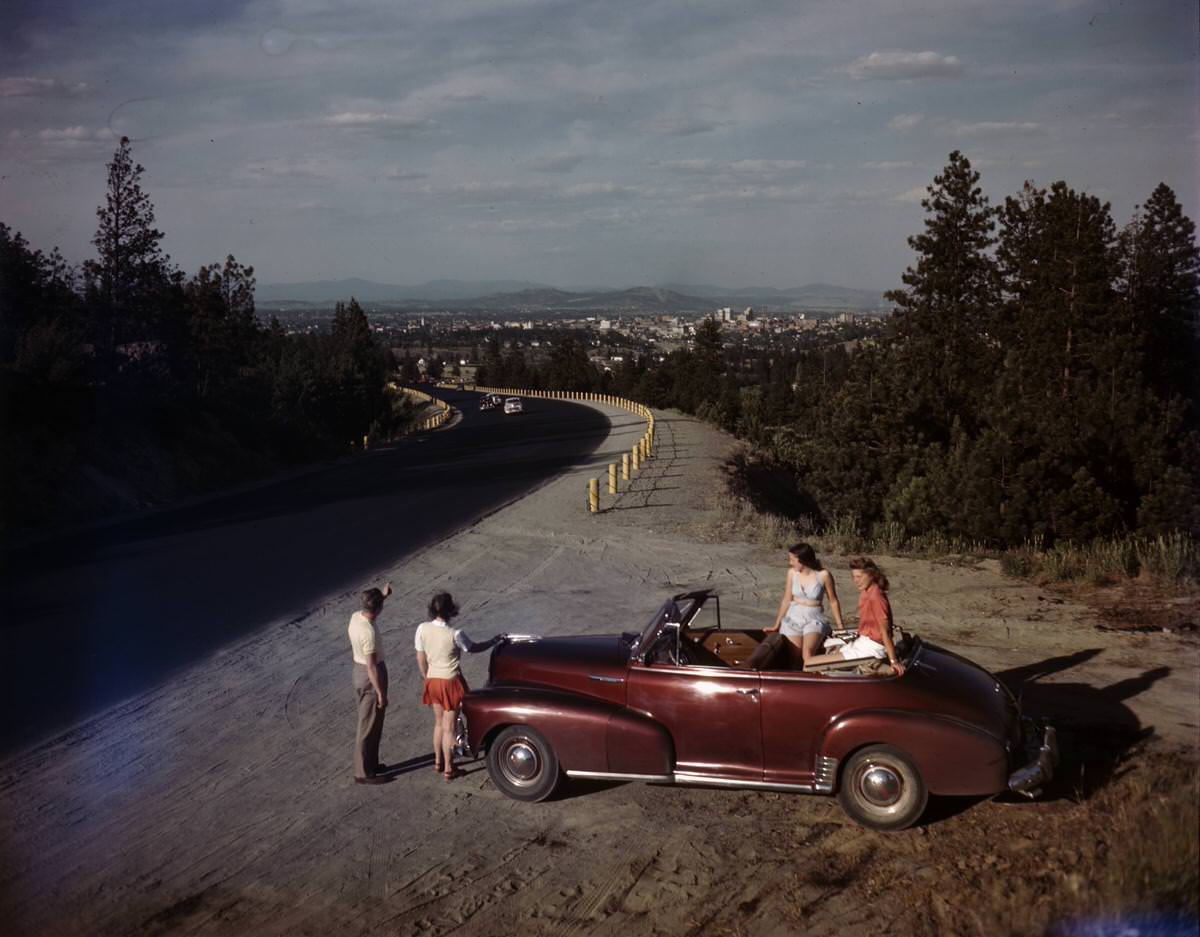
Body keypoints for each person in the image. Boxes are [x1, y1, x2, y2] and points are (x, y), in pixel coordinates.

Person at [415, 593, 507, 781]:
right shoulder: (455, 634)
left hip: (432, 680)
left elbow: (420, 657)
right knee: (450, 728)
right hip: (451, 682)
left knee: (439, 724)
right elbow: (473, 648)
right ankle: (450, 768)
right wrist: (493, 641)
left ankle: (438, 762)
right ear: (451, 610)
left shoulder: (422, 629)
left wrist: (426, 677)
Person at [805, 558, 905, 676]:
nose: (856, 581)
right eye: (854, 577)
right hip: (862, 642)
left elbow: (886, 632)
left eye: (859, 577)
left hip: (871, 648)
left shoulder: (876, 597)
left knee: (808, 664)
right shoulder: (866, 592)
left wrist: (894, 661)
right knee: (825, 652)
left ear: (871, 575)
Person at [765, 543, 845, 667]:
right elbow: (786, 599)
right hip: (794, 616)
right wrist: (776, 624)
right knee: (795, 657)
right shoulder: (792, 573)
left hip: (814, 618)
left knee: (807, 654)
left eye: (792, 560)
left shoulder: (823, 575)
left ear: (803, 560)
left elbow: (833, 601)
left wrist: (840, 627)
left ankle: (813, 680)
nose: (790, 563)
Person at [348, 582, 393, 785]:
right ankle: (363, 772)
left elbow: (371, 607)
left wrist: (383, 596)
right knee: (367, 724)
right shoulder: (368, 633)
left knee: (373, 722)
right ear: (378, 610)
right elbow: (372, 667)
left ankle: (371, 764)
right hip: (370, 677)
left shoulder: (356, 617)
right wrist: (381, 693)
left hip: (358, 672)